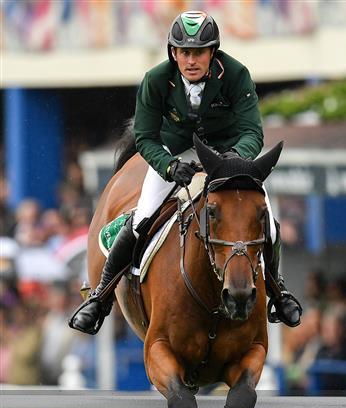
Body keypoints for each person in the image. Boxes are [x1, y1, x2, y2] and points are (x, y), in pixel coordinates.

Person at [70, 11, 302, 335]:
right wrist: (167, 166)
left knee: (266, 219)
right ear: (174, 53)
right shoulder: (155, 79)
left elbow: (252, 132)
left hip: (227, 156)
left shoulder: (236, 75)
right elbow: (145, 138)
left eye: (199, 52)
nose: (191, 60)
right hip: (173, 152)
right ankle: (100, 298)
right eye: (185, 52)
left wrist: (235, 159)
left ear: (213, 52)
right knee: (141, 218)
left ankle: (278, 292)